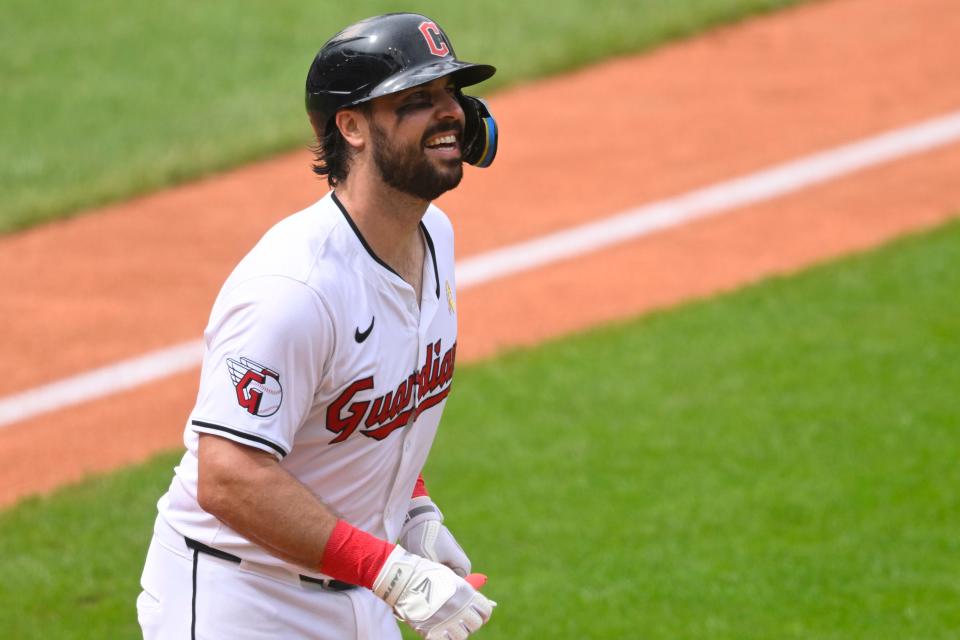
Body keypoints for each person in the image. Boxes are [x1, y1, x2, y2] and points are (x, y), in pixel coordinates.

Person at [136, 12, 500, 639]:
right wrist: (391, 571)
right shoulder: (295, 291)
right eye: (417, 100)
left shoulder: (434, 237)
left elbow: (381, 404)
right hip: (243, 600)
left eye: (452, 95)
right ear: (351, 127)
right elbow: (228, 475)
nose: (451, 114)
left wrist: (412, 510)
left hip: (356, 588)